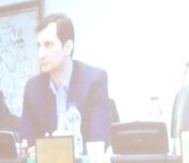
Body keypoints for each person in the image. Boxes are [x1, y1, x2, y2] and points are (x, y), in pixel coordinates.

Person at [19, 13, 118, 147]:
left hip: (83, 161)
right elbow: (27, 142)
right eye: (39, 46)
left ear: (67, 47)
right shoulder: (33, 87)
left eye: (48, 45)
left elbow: (98, 142)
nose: (40, 54)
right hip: (44, 162)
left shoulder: (94, 80)